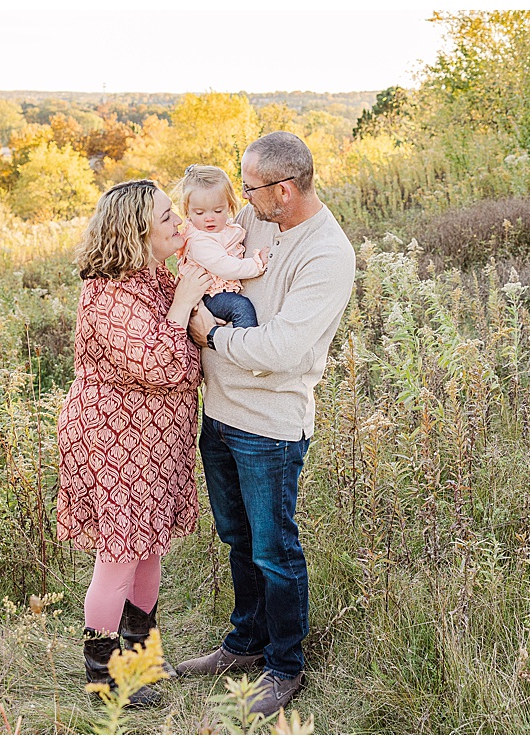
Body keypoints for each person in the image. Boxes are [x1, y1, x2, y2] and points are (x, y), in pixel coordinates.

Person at [177, 132, 356, 716]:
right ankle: (245, 643)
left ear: (283, 190)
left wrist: (210, 334)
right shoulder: (255, 221)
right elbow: (207, 245)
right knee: (239, 538)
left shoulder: (326, 254)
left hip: (271, 426)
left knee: (275, 548)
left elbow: (282, 348)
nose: (242, 198)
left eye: (249, 189)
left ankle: (284, 666)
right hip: (220, 413)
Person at [54, 179, 215, 705]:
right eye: (168, 216)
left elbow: (191, 344)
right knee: (121, 554)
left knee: (149, 549)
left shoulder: (153, 277)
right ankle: (101, 678)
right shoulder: (110, 292)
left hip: (157, 436)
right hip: (114, 437)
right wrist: (186, 302)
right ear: (136, 230)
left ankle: (141, 660)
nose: (179, 222)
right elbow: (166, 362)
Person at [173, 165, 269, 329]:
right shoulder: (199, 241)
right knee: (240, 307)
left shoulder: (224, 228)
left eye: (217, 211)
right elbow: (225, 267)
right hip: (207, 296)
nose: (209, 218)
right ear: (187, 209)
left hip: (216, 292)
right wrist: (256, 264)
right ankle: (243, 345)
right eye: (199, 213)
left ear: (229, 205)